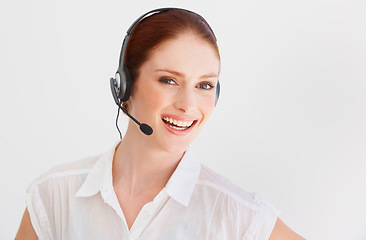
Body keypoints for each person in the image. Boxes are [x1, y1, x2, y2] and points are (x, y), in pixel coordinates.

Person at [16, 8, 304, 240]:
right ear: (125, 87)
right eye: (169, 80)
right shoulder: (54, 196)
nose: (188, 104)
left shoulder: (238, 216)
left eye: (204, 85)